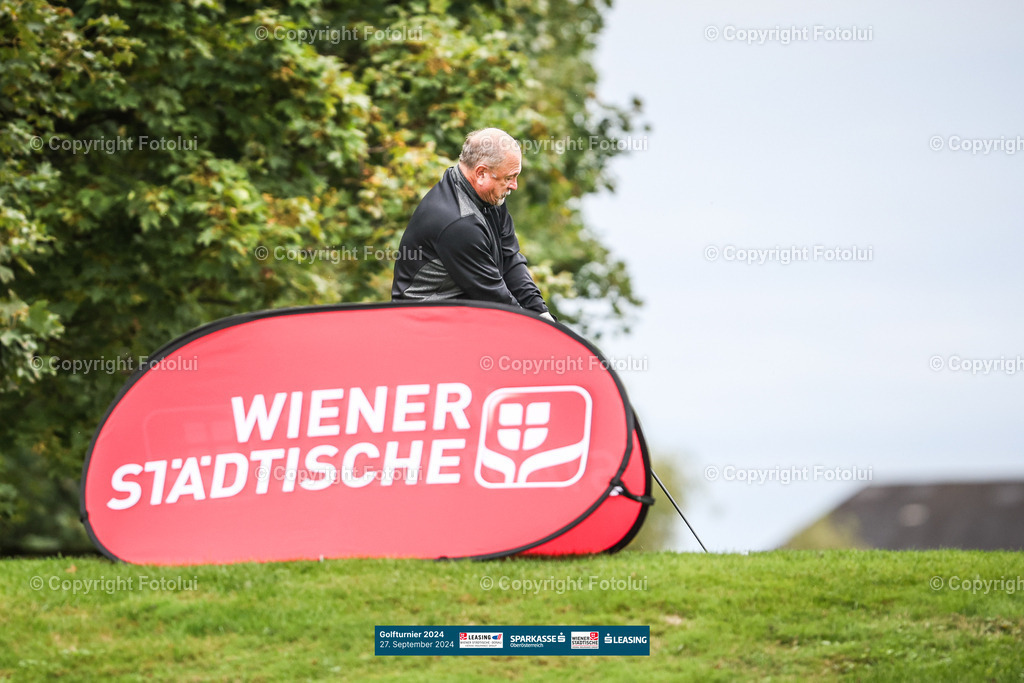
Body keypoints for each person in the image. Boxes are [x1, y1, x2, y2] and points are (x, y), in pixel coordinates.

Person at [391, 128, 554, 320]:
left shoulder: (489, 195)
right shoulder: (458, 224)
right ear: (481, 173)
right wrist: (538, 330)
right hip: (424, 325)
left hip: (461, 311)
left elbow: (510, 260)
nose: (514, 185)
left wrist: (542, 313)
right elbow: (496, 300)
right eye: (509, 178)